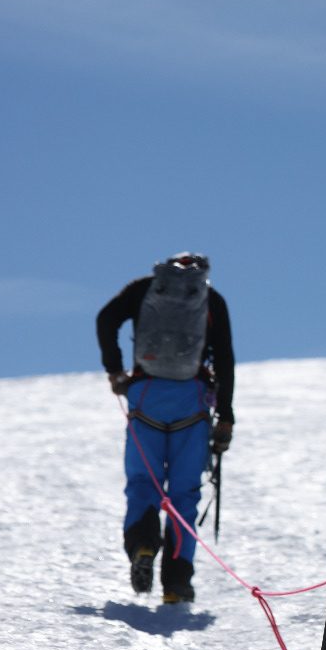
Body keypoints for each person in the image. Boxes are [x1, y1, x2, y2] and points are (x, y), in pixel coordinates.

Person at [96, 253, 234, 604]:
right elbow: (225, 358)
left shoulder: (143, 289)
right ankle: (176, 584)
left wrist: (115, 370)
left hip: (146, 397)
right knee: (184, 494)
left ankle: (143, 545)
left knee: (143, 484)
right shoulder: (211, 299)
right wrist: (226, 415)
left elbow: (106, 319)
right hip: (192, 402)